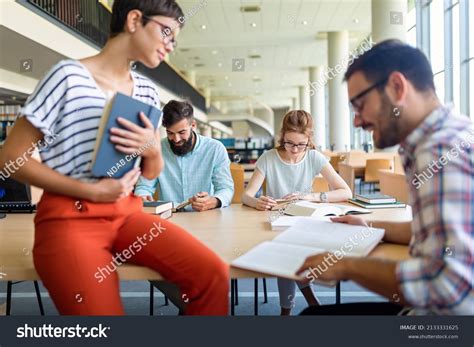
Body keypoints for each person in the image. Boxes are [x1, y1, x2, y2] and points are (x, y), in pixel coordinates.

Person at [0, 0, 229, 315]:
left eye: (174, 39)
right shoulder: (68, 76)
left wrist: (151, 148)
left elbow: (151, 172)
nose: (170, 46)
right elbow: (10, 157)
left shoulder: (147, 91)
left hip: (127, 215)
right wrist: (90, 191)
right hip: (69, 219)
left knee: (213, 275)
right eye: (166, 32)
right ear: (135, 20)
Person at [299, 39, 473, 315]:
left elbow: (447, 287)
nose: (357, 121)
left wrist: (346, 265)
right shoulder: (449, 138)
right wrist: (368, 225)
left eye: (360, 104)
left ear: (397, 87)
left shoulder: (440, 151)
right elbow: (430, 232)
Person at [242, 110, 352, 315]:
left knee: (289, 250)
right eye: (289, 143)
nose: (294, 149)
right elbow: (246, 195)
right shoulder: (269, 158)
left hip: (306, 221)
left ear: (309, 140)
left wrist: (312, 197)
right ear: (282, 136)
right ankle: (300, 303)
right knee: (286, 248)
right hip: (274, 222)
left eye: (300, 144)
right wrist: (257, 201)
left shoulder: (313, 157)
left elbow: (345, 191)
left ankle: (288, 311)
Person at [134, 100, 234, 211]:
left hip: (204, 217)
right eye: (170, 133)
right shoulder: (156, 149)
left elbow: (226, 188)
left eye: (182, 132)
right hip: (170, 218)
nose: (176, 139)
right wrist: (142, 196)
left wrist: (214, 201)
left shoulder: (215, 149)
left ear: (193, 125)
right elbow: (144, 186)